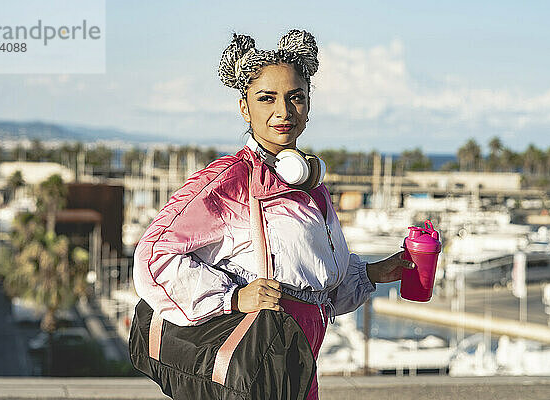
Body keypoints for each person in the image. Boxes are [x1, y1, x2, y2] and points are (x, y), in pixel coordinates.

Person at [133, 29, 414, 400]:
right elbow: (153, 256)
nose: (283, 111)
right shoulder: (230, 179)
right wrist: (232, 297)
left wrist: (377, 272)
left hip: (295, 364)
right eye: (267, 99)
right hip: (255, 363)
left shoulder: (310, 185)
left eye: (295, 98)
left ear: (309, 106)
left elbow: (316, 287)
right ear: (245, 108)